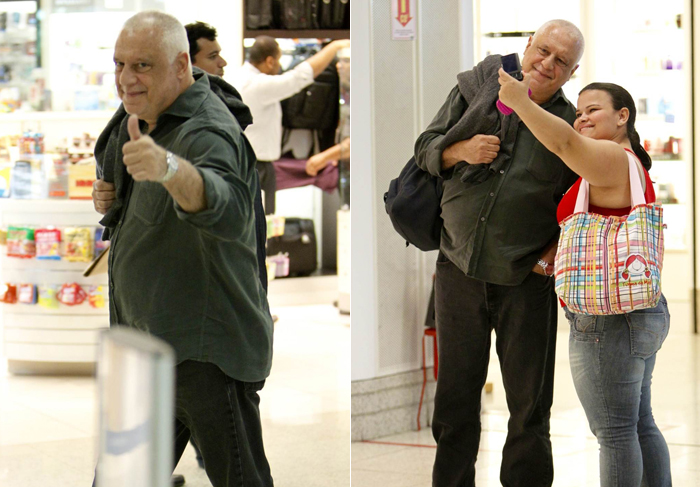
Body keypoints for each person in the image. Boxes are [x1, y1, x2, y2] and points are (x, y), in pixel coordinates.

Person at [91, 11, 274, 487]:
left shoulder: (206, 130)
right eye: (120, 64)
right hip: (154, 350)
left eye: (143, 66)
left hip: (205, 359)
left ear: (180, 66)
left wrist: (169, 169)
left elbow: (228, 207)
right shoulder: (149, 121)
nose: (127, 79)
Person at [414, 19, 585, 486]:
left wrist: (550, 253)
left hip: (525, 283)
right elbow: (425, 149)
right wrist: (461, 149)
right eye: (543, 51)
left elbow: (583, 206)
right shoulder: (477, 92)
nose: (547, 64)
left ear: (571, 74)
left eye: (561, 62)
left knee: (529, 408)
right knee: (454, 405)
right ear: (527, 46)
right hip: (459, 268)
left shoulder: (569, 128)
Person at [498, 74, 672, 486]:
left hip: (607, 320)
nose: (582, 119)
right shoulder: (628, 165)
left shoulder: (613, 159)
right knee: (638, 424)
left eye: (593, 110)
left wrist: (520, 102)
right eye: (578, 113)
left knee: (614, 433)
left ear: (622, 116)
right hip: (641, 311)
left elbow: (563, 144)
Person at [231, 35, 349, 214]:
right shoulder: (256, 84)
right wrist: (332, 47)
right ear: (270, 61)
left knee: (259, 221)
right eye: (278, 61)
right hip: (256, 167)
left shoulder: (243, 78)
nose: (280, 67)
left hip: (254, 164)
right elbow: (298, 78)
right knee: (260, 222)